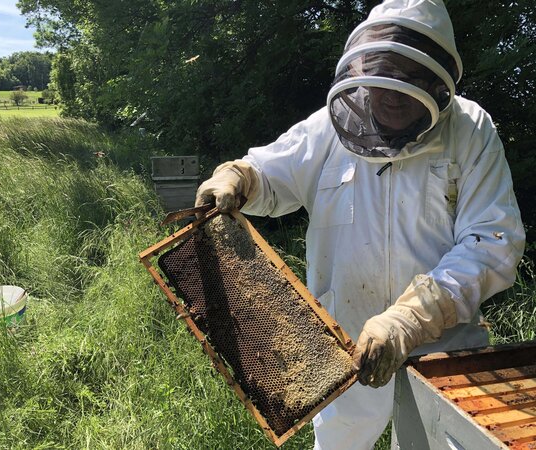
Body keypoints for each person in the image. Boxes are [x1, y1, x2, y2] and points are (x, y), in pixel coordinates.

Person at [195, 0, 526, 448]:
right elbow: (271, 174)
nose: (391, 92)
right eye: (385, 72)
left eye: (409, 78)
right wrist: (240, 176)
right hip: (342, 342)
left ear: (436, 80)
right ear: (364, 63)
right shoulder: (329, 127)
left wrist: (411, 317)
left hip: (440, 345)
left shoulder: (470, 129)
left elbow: (493, 241)